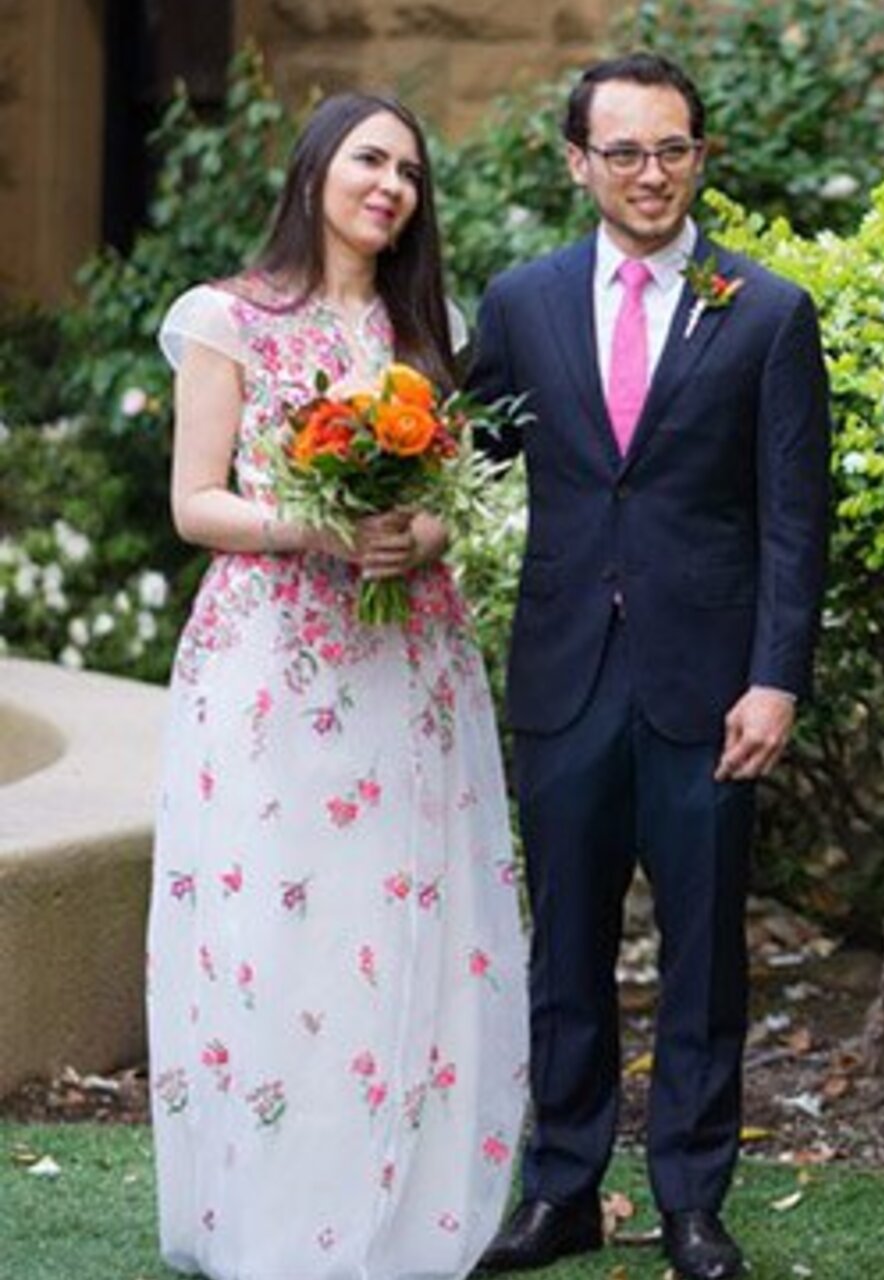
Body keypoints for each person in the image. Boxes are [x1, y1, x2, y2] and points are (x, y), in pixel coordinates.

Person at [145, 93, 528, 1280]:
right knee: (280, 926)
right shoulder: (229, 317)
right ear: (318, 165)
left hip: (408, 659)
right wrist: (310, 524)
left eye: (410, 171)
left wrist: (419, 539)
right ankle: (272, 1207)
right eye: (371, 159)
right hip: (271, 665)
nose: (391, 186)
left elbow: (447, 503)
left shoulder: (429, 331)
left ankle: (400, 1209)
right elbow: (194, 501)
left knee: (400, 916)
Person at [466, 52, 832, 1280]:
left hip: (710, 688)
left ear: (700, 156)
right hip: (565, 675)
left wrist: (776, 676)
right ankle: (562, 1188)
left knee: (704, 953)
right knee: (563, 946)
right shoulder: (519, 302)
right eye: (622, 151)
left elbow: (795, 517)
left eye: (671, 148)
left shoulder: (767, 310)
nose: (650, 173)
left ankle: (692, 1198)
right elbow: (465, 462)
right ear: (579, 163)